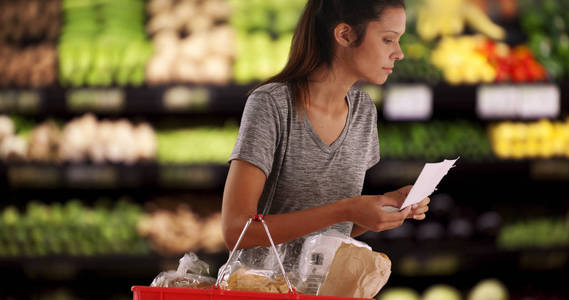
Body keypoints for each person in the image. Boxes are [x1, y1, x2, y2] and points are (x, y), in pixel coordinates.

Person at [221, 0, 429, 271]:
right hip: (260, 287)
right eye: (388, 40)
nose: (399, 53)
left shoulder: (364, 111)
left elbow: (336, 227)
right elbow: (236, 231)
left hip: (325, 286)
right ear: (344, 35)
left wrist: (385, 208)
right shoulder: (272, 104)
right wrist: (348, 209)